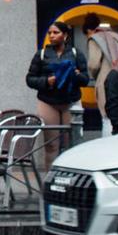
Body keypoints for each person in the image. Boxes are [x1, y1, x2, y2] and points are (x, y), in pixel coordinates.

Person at [25, 21, 87, 166]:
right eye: (50, 33)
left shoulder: (76, 53)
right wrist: (47, 81)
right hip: (48, 102)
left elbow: (85, 79)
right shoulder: (41, 54)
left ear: (65, 35)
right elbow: (29, 79)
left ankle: (70, 181)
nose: (52, 36)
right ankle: (49, 182)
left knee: (72, 145)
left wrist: (75, 75)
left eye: (56, 33)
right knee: (51, 145)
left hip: (70, 102)